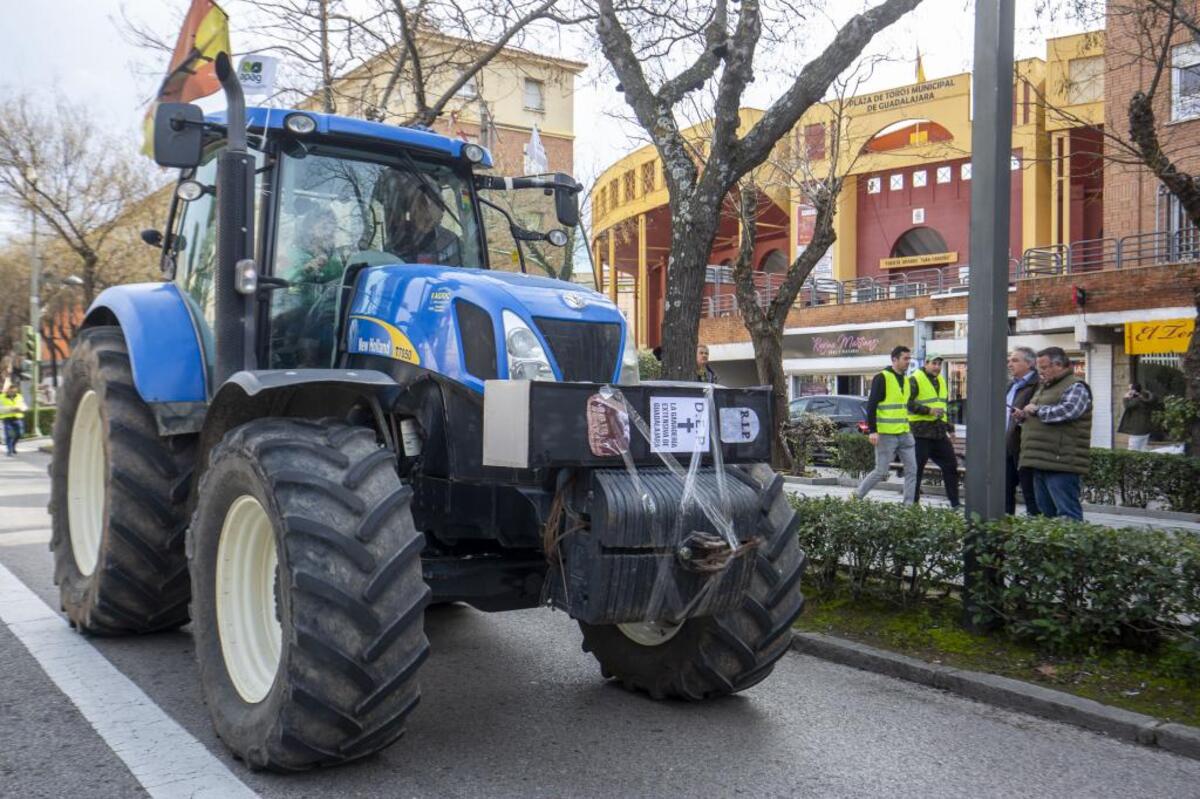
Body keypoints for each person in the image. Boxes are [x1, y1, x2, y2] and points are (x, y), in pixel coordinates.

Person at [1014, 347, 1092, 521]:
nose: (1040, 372)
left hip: (1061, 462)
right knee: (1046, 516)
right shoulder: (1044, 388)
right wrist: (1023, 416)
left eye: (1044, 367)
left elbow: (1069, 411)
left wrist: (1037, 410)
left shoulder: (1076, 385)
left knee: (1067, 516)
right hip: (1039, 461)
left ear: (1058, 365)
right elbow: (1035, 415)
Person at [854, 345, 918, 502]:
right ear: (894, 359)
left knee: (912, 470)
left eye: (909, 358)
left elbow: (906, 406)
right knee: (881, 471)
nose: (908, 362)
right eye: (905, 358)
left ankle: (908, 508)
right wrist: (873, 431)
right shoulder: (882, 378)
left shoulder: (906, 380)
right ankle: (856, 497)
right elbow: (871, 406)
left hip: (904, 433)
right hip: (886, 434)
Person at [378, 168, 463, 266]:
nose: (428, 215)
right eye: (422, 205)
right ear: (410, 210)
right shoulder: (395, 242)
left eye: (435, 206)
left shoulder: (451, 242)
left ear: (441, 214)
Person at [907, 354, 959, 508]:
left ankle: (955, 503)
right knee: (916, 470)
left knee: (951, 465)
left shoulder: (941, 381)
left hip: (938, 434)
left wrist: (950, 428)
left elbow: (942, 407)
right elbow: (907, 403)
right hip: (919, 433)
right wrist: (928, 410)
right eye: (934, 363)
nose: (937, 367)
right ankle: (912, 504)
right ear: (926, 364)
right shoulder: (915, 379)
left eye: (939, 364)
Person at [1004, 347, 1040, 516]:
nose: (1010, 364)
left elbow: (1038, 412)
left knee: (1030, 494)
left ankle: (1036, 533)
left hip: (1025, 447)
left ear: (1030, 363)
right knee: (1004, 492)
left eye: (1015, 360)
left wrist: (1023, 415)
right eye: (1010, 360)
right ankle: (1004, 530)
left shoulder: (1037, 384)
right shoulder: (1010, 385)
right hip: (1006, 446)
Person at [1118, 383, 1156, 451]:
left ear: (1134, 391)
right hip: (1145, 429)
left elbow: (1127, 406)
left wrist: (1125, 398)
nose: (1128, 391)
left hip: (1137, 430)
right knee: (1143, 449)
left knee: (1132, 450)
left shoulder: (1137, 401)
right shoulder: (1144, 399)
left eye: (1130, 389)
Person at [2, 384, 28, 457]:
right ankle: (9, 450)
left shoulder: (19, 396)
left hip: (17, 418)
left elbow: (24, 406)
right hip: (7, 419)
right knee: (9, 435)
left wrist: (22, 409)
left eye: (14, 391)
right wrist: (10, 409)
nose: (13, 392)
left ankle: (13, 446)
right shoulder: (1, 397)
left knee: (20, 433)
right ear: (8, 390)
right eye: (11, 391)